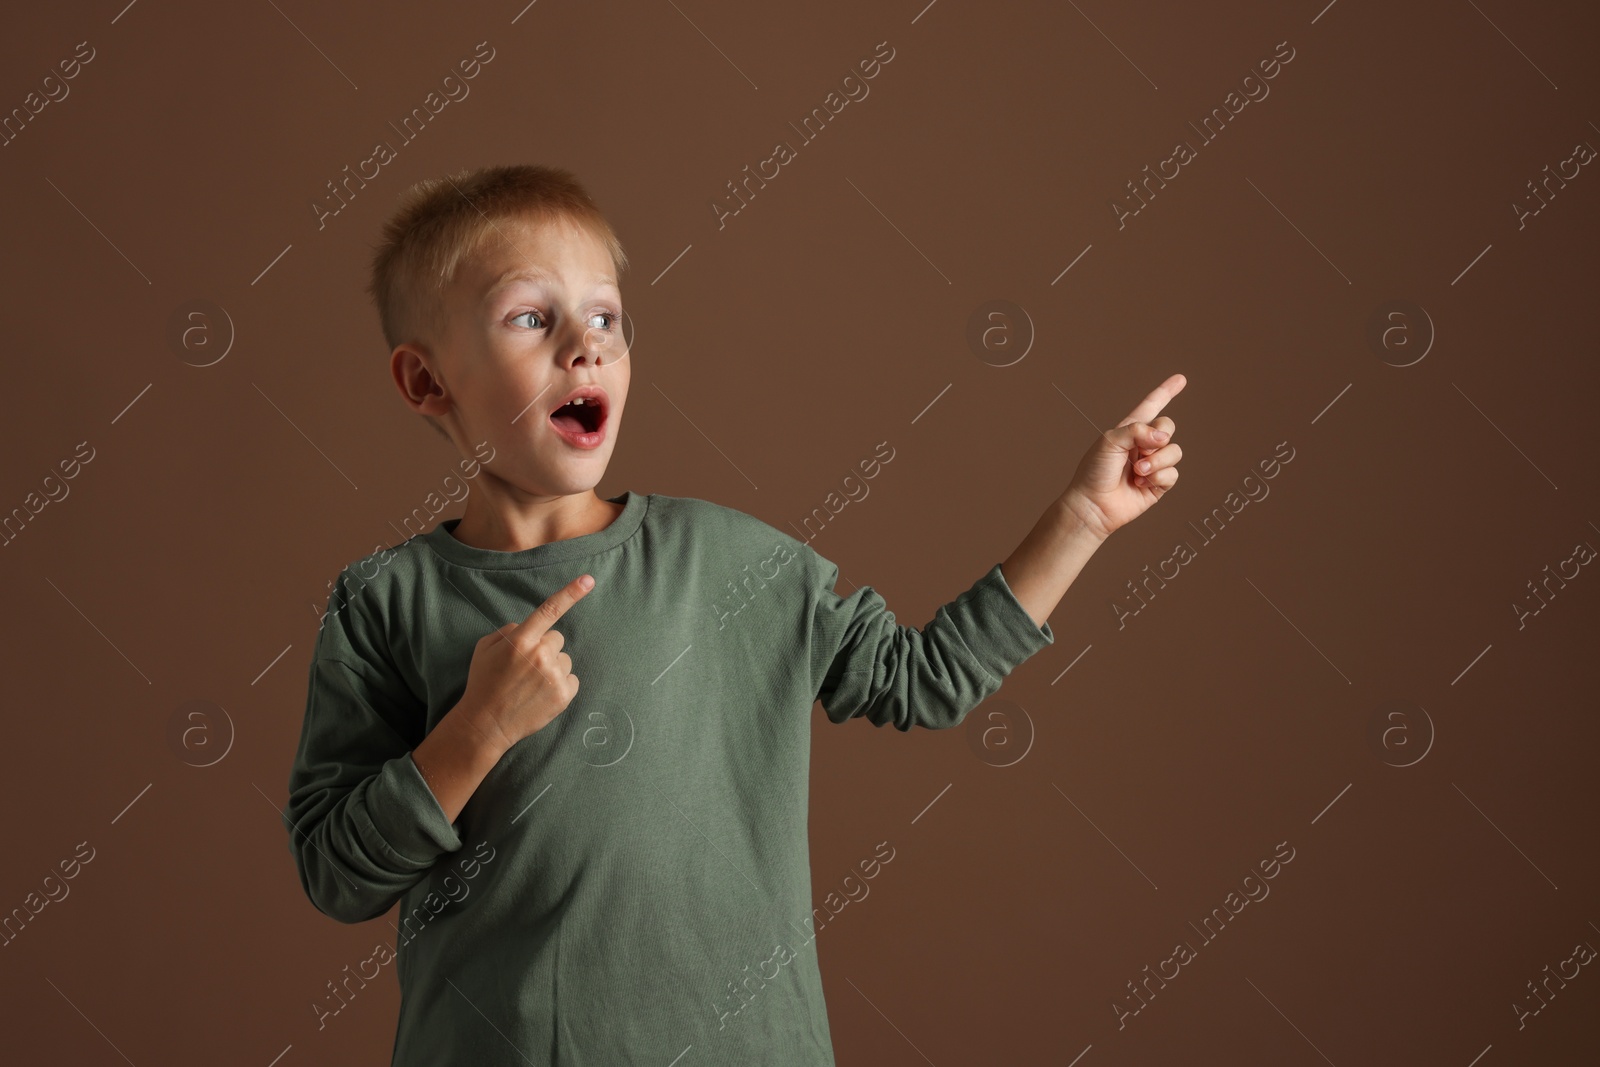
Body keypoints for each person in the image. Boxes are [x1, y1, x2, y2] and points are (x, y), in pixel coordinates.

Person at [283, 163, 1185, 1066]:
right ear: (427, 382)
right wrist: (474, 732)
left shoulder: (736, 563)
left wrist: (1081, 519)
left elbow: (925, 679)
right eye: (531, 317)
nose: (584, 346)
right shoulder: (383, 602)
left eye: (605, 316)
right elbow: (336, 874)